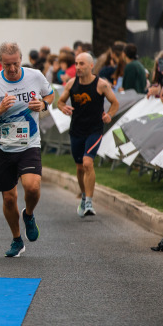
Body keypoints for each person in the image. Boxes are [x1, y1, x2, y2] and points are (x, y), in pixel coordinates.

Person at [0, 41, 54, 258]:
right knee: (9, 197)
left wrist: (43, 105)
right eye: (7, 65)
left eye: (15, 64)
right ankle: (16, 239)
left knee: (32, 187)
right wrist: (0, 108)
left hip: (28, 142)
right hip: (1, 145)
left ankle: (29, 214)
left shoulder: (35, 76)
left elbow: (49, 95)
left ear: (20, 60)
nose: (12, 69)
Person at [57, 52, 119, 217]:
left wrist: (109, 115)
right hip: (76, 129)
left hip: (94, 130)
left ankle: (90, 203)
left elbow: (115, 102)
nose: (78, 67)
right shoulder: (71, 84)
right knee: (79, 167)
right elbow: (60, 101)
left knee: (87, 163)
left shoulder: (101, 84)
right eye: (76, 63)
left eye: (82, 64)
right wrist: (63, 107)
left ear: (91, 66)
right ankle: (84, 197)